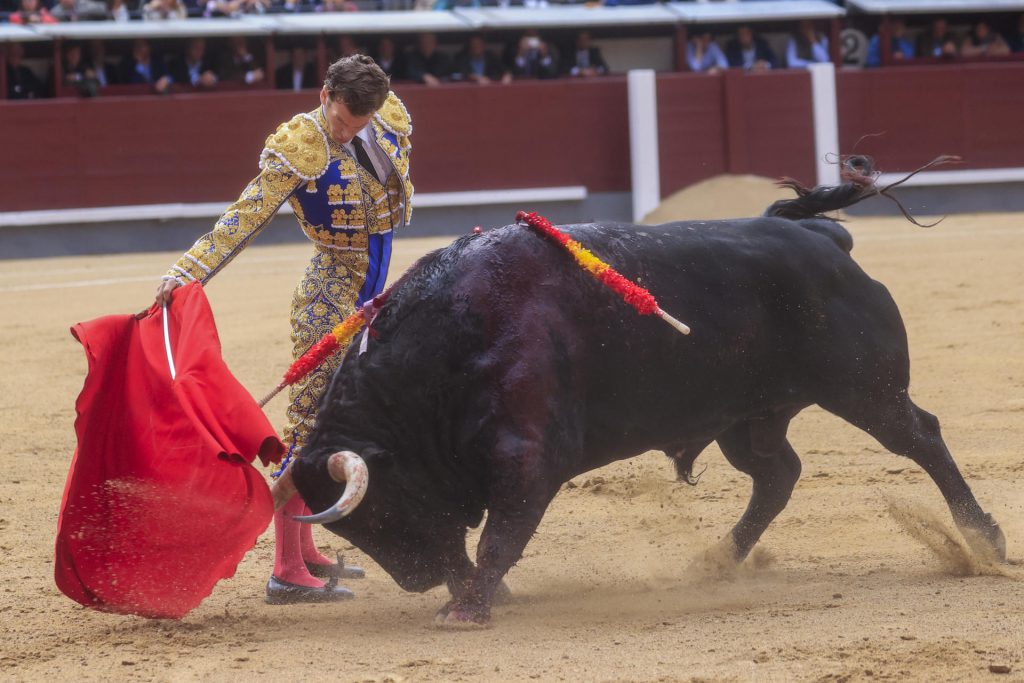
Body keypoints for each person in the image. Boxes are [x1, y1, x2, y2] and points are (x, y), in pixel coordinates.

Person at [154, 55, 414, 604]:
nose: (349, 131)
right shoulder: (299, 147)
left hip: (373, 296)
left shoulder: (383, 117)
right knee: (310, 431)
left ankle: (309, 548)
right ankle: (285, 570)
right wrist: (186, 273)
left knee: (337, 421)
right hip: (329, 296)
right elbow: (244, 216)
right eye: (343, 120)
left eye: (359, 123)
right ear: (324, 95)